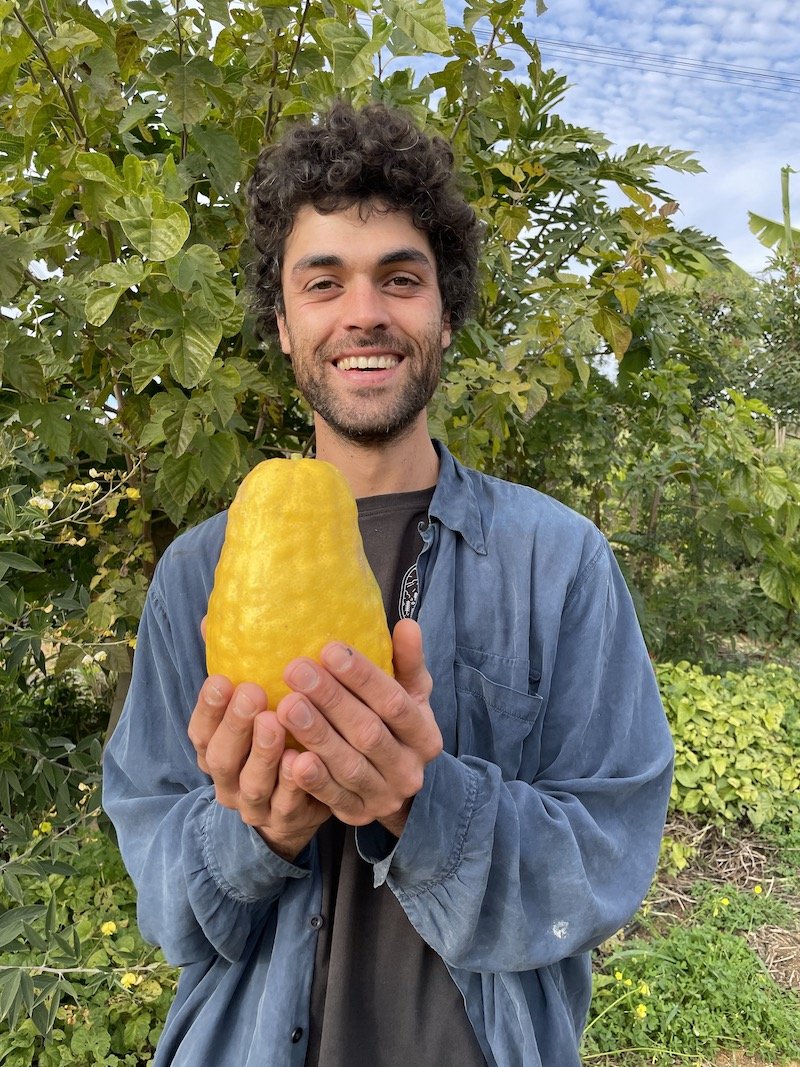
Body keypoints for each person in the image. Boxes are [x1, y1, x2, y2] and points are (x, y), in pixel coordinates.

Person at [102, 101, 674, 1067]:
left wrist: (424, 802)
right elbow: (164, 891)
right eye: (323, 282)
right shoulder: (197, 572)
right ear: (284, 325)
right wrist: (257, 832)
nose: (363, 312)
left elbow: (608, 858)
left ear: (445, 316)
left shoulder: (561, 560)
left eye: (399, 279)